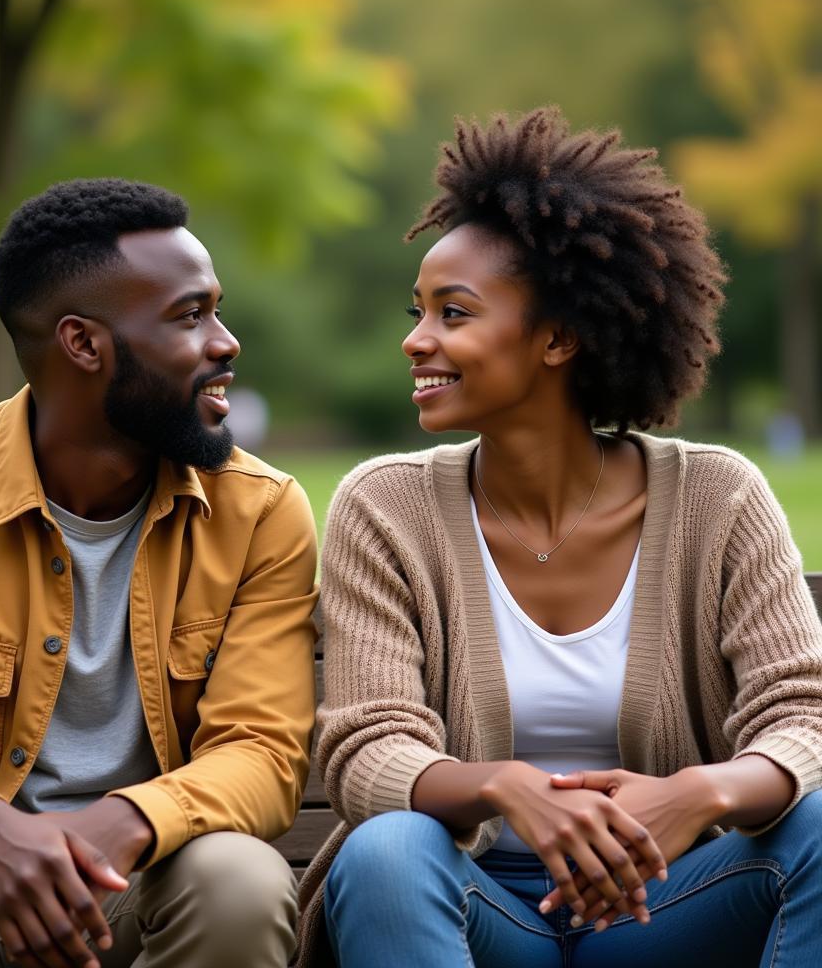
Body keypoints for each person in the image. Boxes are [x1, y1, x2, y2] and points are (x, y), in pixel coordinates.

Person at [295, 108, 822, 967]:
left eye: (453, 314)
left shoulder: (717, 497)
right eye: (418, 311)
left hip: (663, 909)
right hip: (477, 904)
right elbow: (367, 748)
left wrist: (698, 794)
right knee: (387, 851)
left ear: (560, 338)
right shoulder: (385, 507)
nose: (416, 340)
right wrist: (508, 788)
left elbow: (804, 715)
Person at [0, 178, 319, 968]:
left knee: (239, 877)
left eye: (216, 309)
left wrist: (128, 820)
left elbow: (263, 750)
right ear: (83, 344)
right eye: (190, 315)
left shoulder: (260, 512)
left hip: (142, 893)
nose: (225, 341)